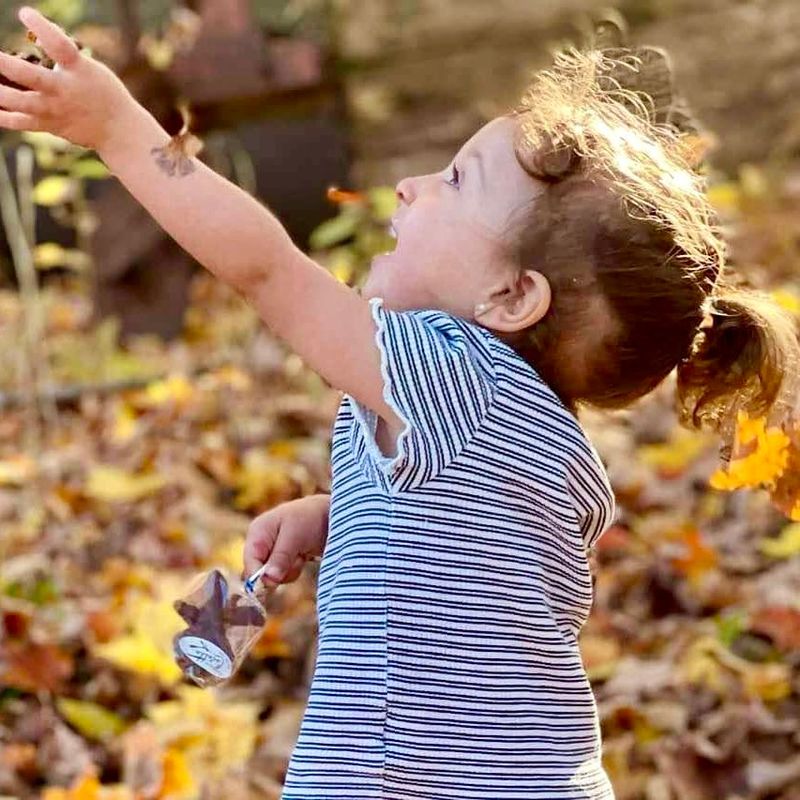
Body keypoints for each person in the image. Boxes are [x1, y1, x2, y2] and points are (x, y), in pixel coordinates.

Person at [4, 8, 798, 799]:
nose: (409, 186)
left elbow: (266, 269)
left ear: (512, 295)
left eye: (454, 181)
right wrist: (347, 511)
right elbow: (480, 563)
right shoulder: (533, 436)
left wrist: (119, 130)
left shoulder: (454, 378)